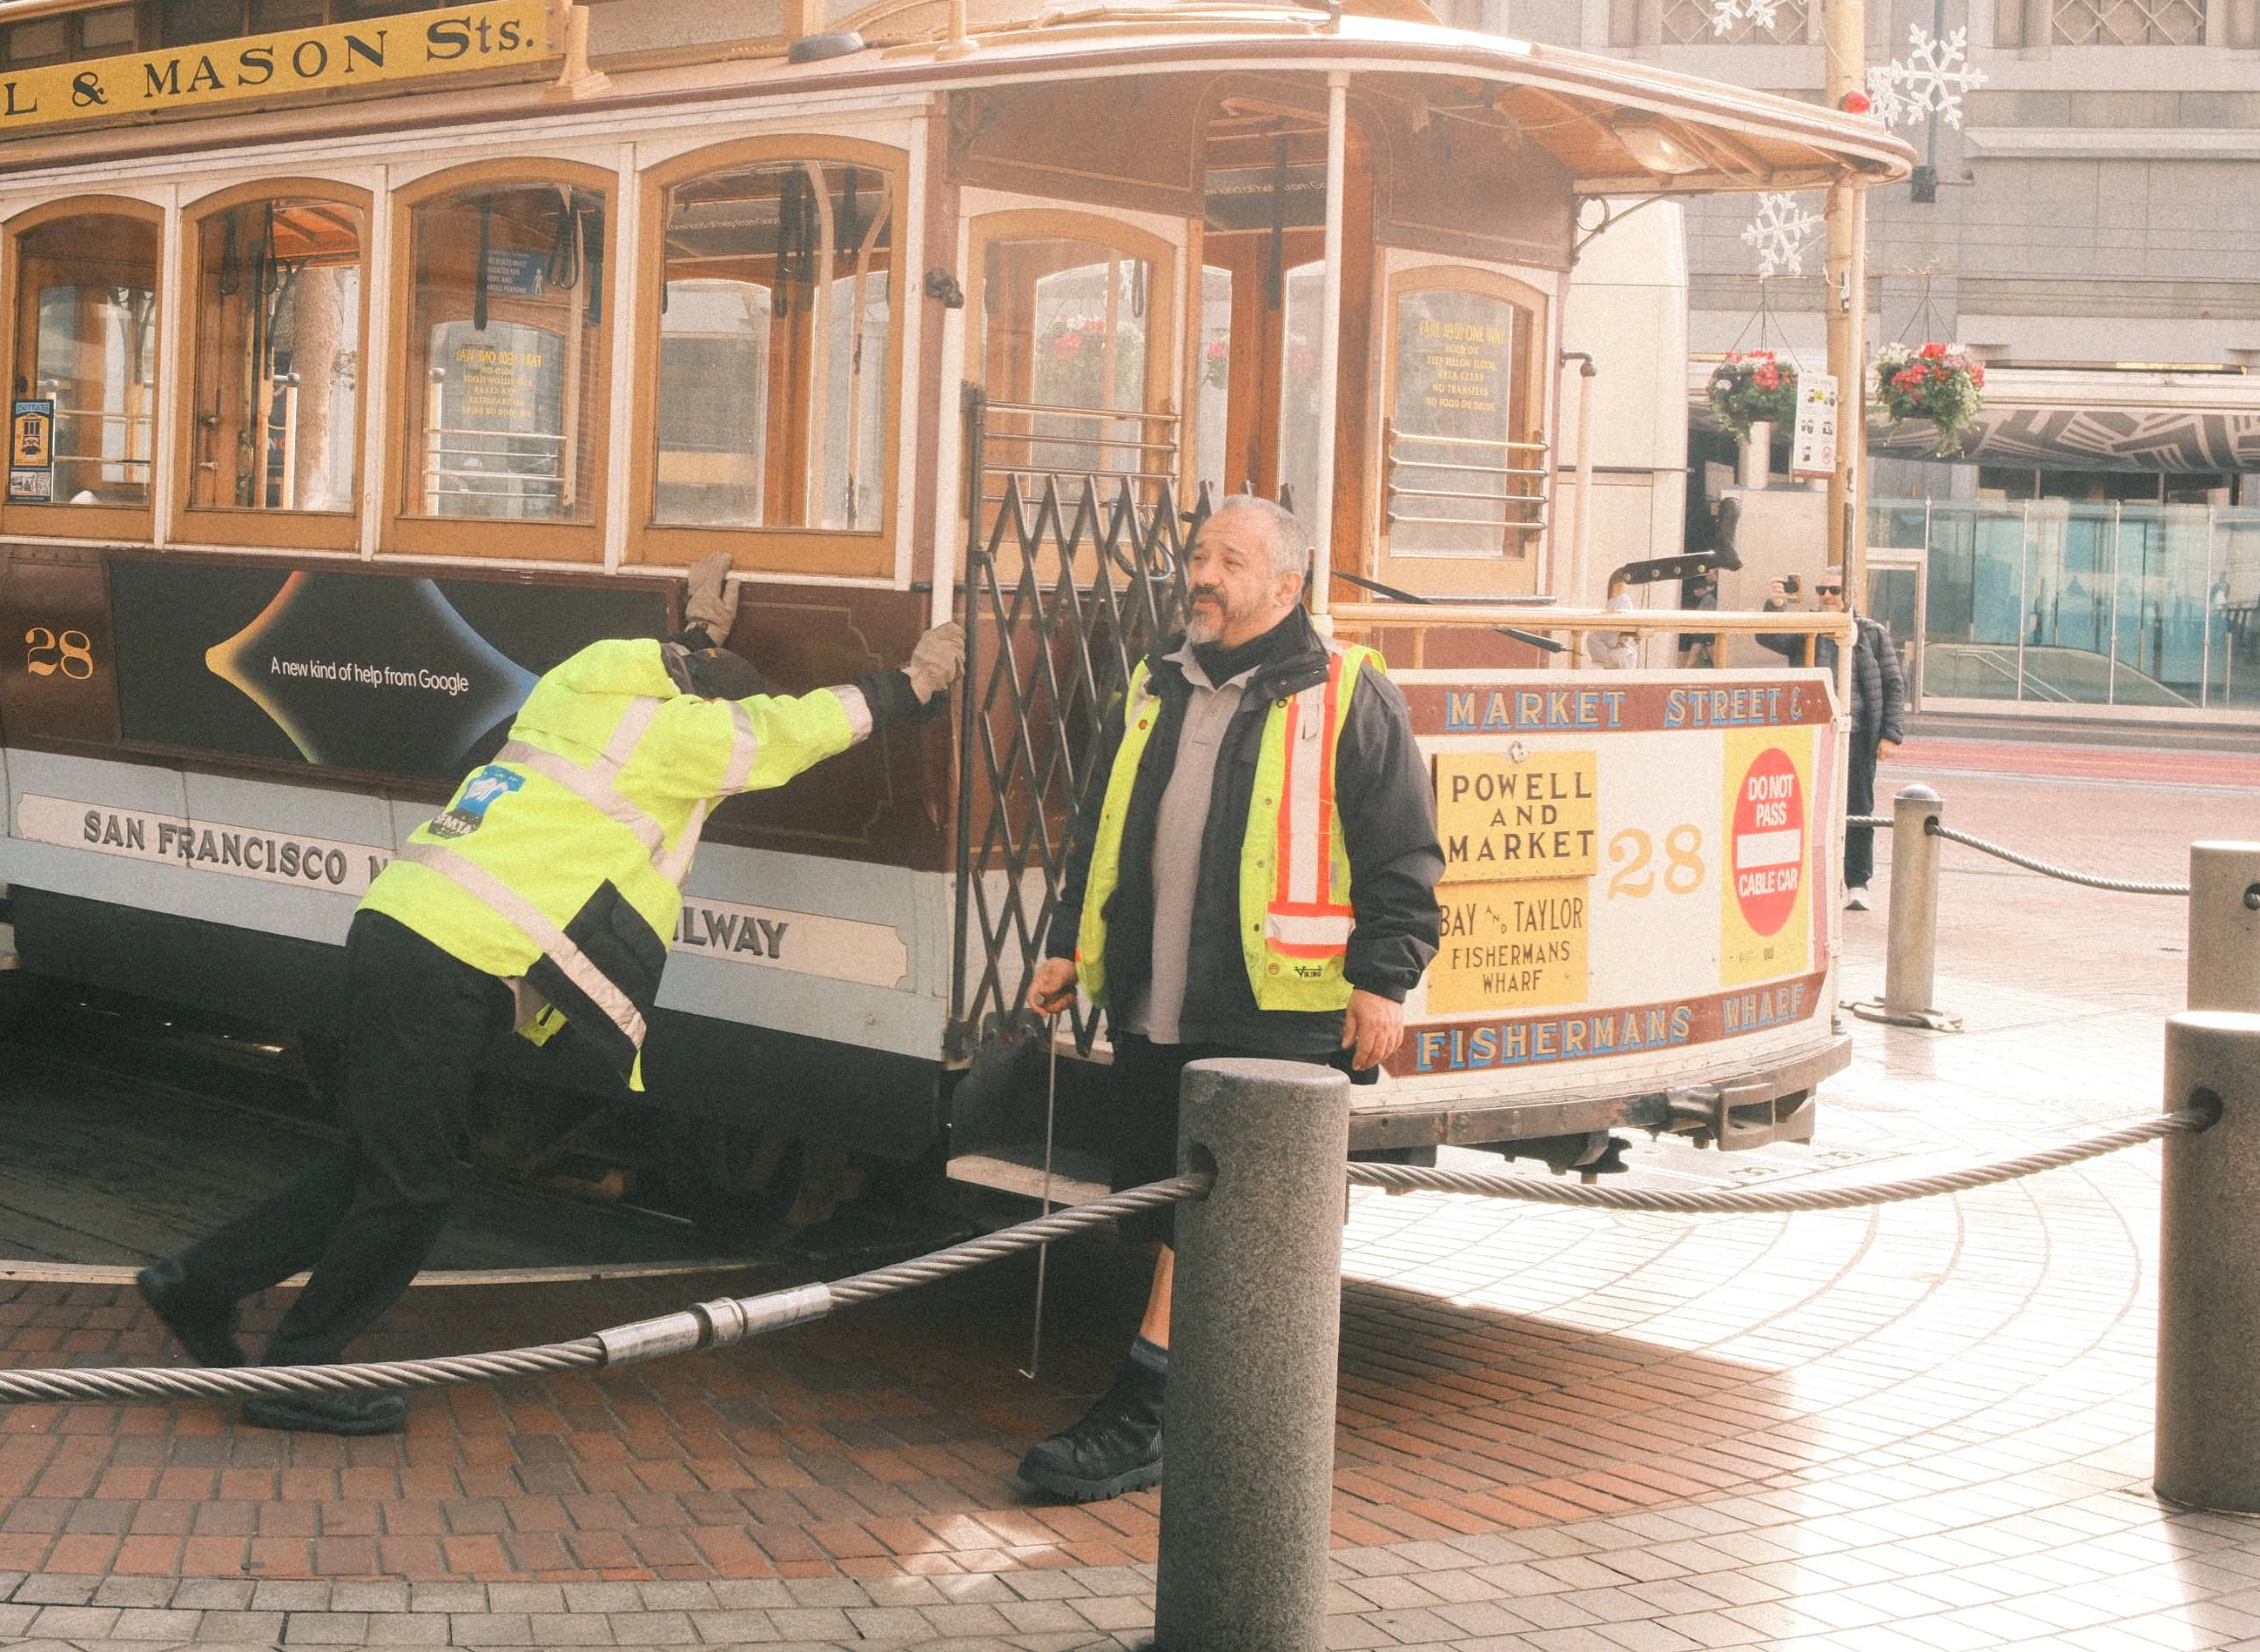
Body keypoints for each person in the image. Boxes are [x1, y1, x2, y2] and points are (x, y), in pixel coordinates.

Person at [131, 554, 965, 1436]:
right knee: (411, 1191)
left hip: (401, 928)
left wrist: (698, 633)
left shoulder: (578, 688)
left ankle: (196, 1285)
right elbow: (792, 730)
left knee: (377, 1165)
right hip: (457, 956)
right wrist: (911, 684)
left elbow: (675, 673)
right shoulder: (680, 745)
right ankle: (296, 1369)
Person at [1013, 495, 1441, 1504]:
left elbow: (1405, 851)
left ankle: (1150, 1408)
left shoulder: (1347, 693)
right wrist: (1073, 943)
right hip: (1159, 997)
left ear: (1287, 587)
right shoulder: (1160, 682)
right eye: (1199, 555)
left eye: (1231, 561)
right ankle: (1228, 1412)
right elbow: (1105, 824)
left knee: (1218, 1209)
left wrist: (1385, 979)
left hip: (1275, 1011)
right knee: (1178, 1200)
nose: (1203, 575)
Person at [1770, 569, 1907, 914]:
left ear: (1851, 593)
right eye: (1822, 589)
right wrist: (1774, 606)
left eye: (1835, 590)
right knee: (1808, 807)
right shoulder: (1806, 631)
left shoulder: (1872, 633)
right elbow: (1769, 637)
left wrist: (1891, 734)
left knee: (1859, 809)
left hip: (1859, 735)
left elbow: (1892, 684)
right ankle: (1813, 881)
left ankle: (1857, 882)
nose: (1828, 596)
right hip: (1813, 735)